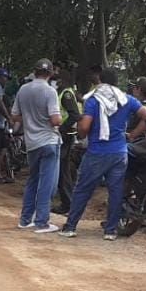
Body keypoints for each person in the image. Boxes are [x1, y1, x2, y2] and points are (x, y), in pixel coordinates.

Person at [60, 68, 146, 239]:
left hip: (97, 152)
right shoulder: (127, 100)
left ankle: (70, 226)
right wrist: (132, 135)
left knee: (82, 189)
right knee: (116, 191)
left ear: (100, 82)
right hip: (119, 153)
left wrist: (81, 131)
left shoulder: (94, 101)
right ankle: (110, 231)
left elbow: (85, 127)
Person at [12, 60, 63, 233]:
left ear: (34, 72)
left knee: (33, 180)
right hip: (48, 140)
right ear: (50, 74)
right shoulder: (50, 91)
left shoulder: (23, 89)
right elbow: (55, 119)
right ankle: (42, 221)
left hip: (31, 142)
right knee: (47, 183)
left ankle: (25, 219)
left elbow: (15, 116)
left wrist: (30, 119)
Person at [53, 74, 84, 215]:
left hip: (66, 136)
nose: (56, 82)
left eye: (58, 79)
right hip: (65, 134)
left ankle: (68, 203)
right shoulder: (64, 93)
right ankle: (67, 203)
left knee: (62, 169)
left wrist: (62, 128)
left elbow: (75, 115)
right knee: (63, 170)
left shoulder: (66, 95)